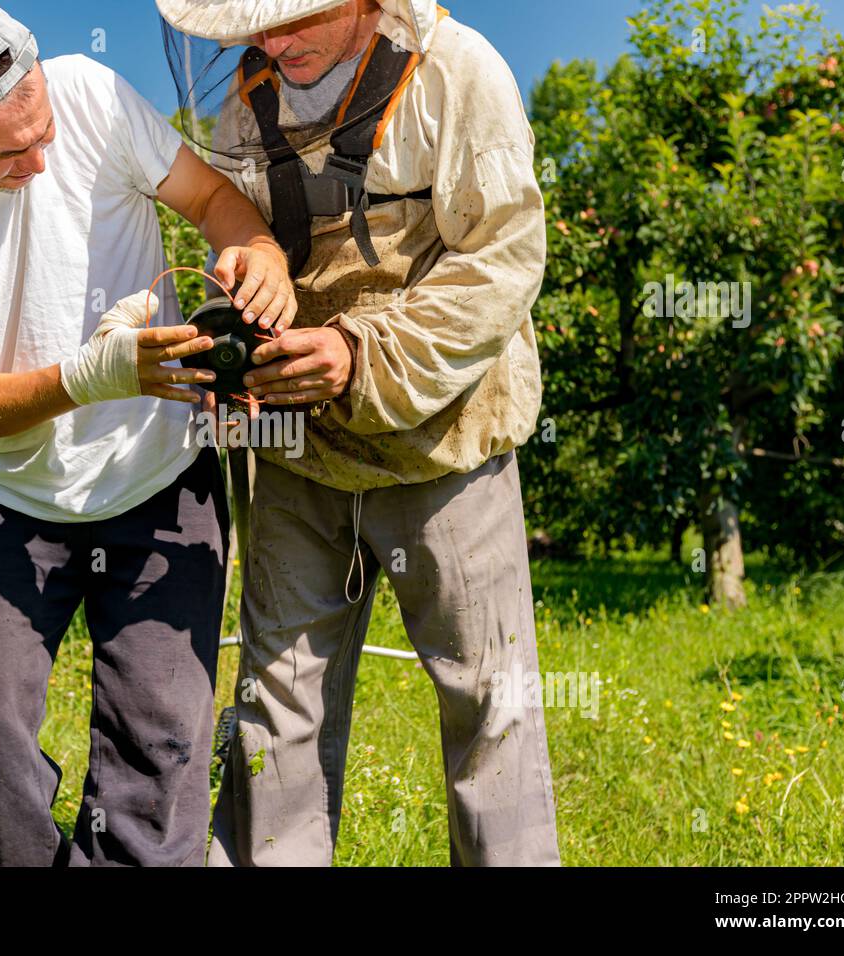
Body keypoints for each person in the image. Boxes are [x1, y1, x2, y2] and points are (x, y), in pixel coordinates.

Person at [0, 2, 295, 866]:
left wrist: (262, 250)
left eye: (43, 130)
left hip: (160, 475)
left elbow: (209, 199)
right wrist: (91, 377)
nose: (41, 159)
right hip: (13, 498)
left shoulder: (89, 92)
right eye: (11, 152)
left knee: (158, 740)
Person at [157, 0, 562, 865]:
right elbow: (250, 238)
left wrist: (359, 354)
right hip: (300, 451)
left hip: (445, 442)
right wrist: (244, 303)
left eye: (296, 19)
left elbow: (502, 260)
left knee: (491, 706)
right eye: (257, 25)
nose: (270, 41)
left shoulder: (457, 72)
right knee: (277, 705)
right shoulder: (251, 94)